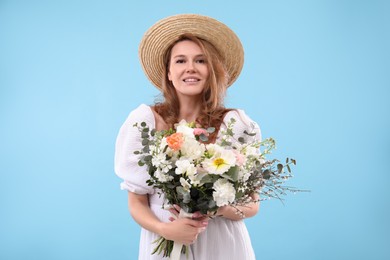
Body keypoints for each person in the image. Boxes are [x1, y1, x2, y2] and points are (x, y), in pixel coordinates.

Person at [115, 14, 261, 260]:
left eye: (201, 60)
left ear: (212, 71)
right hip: (165, 240)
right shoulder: (144, 122)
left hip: (222, 245)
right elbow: (136, 202)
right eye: (180, 60)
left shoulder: (236, 124)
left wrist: (218, 208)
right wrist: (167, 230)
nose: (190, 68)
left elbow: (253, 205)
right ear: (169, 73)